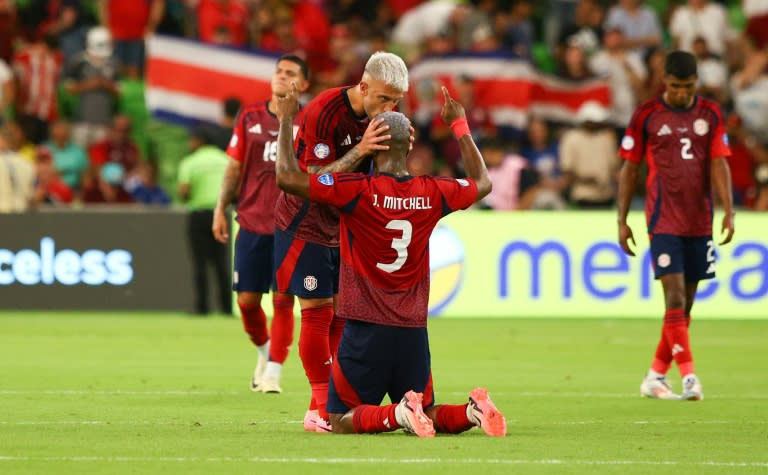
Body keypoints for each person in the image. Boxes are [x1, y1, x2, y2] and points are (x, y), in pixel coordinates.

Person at [275, 83, 505, 437]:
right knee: (426, 409)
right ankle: (473, 412)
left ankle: (396, 416)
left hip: (365, 327)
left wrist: (288, 119)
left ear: (371, 142)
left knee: (339, 419)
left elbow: (289, 179)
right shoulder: (432, 192)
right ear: (410, 145)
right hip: (412, 329)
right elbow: (482, 182)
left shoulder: (356, 191)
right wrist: (459, 125)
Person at [272, 51, 408, 432]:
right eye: (383, 98)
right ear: (363, 86)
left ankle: (338, 401)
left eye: (395, 101)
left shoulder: (383, 118)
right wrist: (362, 150)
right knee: (316, 312)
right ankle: (318, 410)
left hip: (344, 227)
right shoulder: (325, 111)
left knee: (343, 315)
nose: (389, 107)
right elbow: (316, 180)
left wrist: (398, 149)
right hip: (305, 224)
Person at [617, 51, 734, 401]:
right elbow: (629, 169)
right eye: (676, 86)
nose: (682, 93)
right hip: (662, 219)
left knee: (685, 308)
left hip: (700, 221)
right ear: (664, 82)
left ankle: (655, 375)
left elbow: (719, 163)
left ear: (696, 83)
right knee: (675, 297)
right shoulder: (647, 115)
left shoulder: (710, 113)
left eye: (688, 87)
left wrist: (729, 210)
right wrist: (622, 220)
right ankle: (689, 378)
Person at [211, 55, 309, 394]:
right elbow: (234, 168)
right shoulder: (250, 116)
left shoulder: (307, 121)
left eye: (291, 74)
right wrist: (220, 208)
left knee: (283, 301)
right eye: (279, 71)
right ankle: (265, 353)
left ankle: (274, 373)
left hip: (291, 225)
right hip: (251, 223)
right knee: (247, 303)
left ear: (304, 85)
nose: (282, 77)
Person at [177, 125, 231, 316]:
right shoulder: (224, 159)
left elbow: (184, 190)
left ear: (199, 141)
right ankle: (227, 308)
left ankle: (202, 308)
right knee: (221, 263)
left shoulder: (190, 162)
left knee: (200, 263)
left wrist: (188, 196)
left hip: (199, 215)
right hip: (221, 214)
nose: (190, 143)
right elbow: (236, 185)